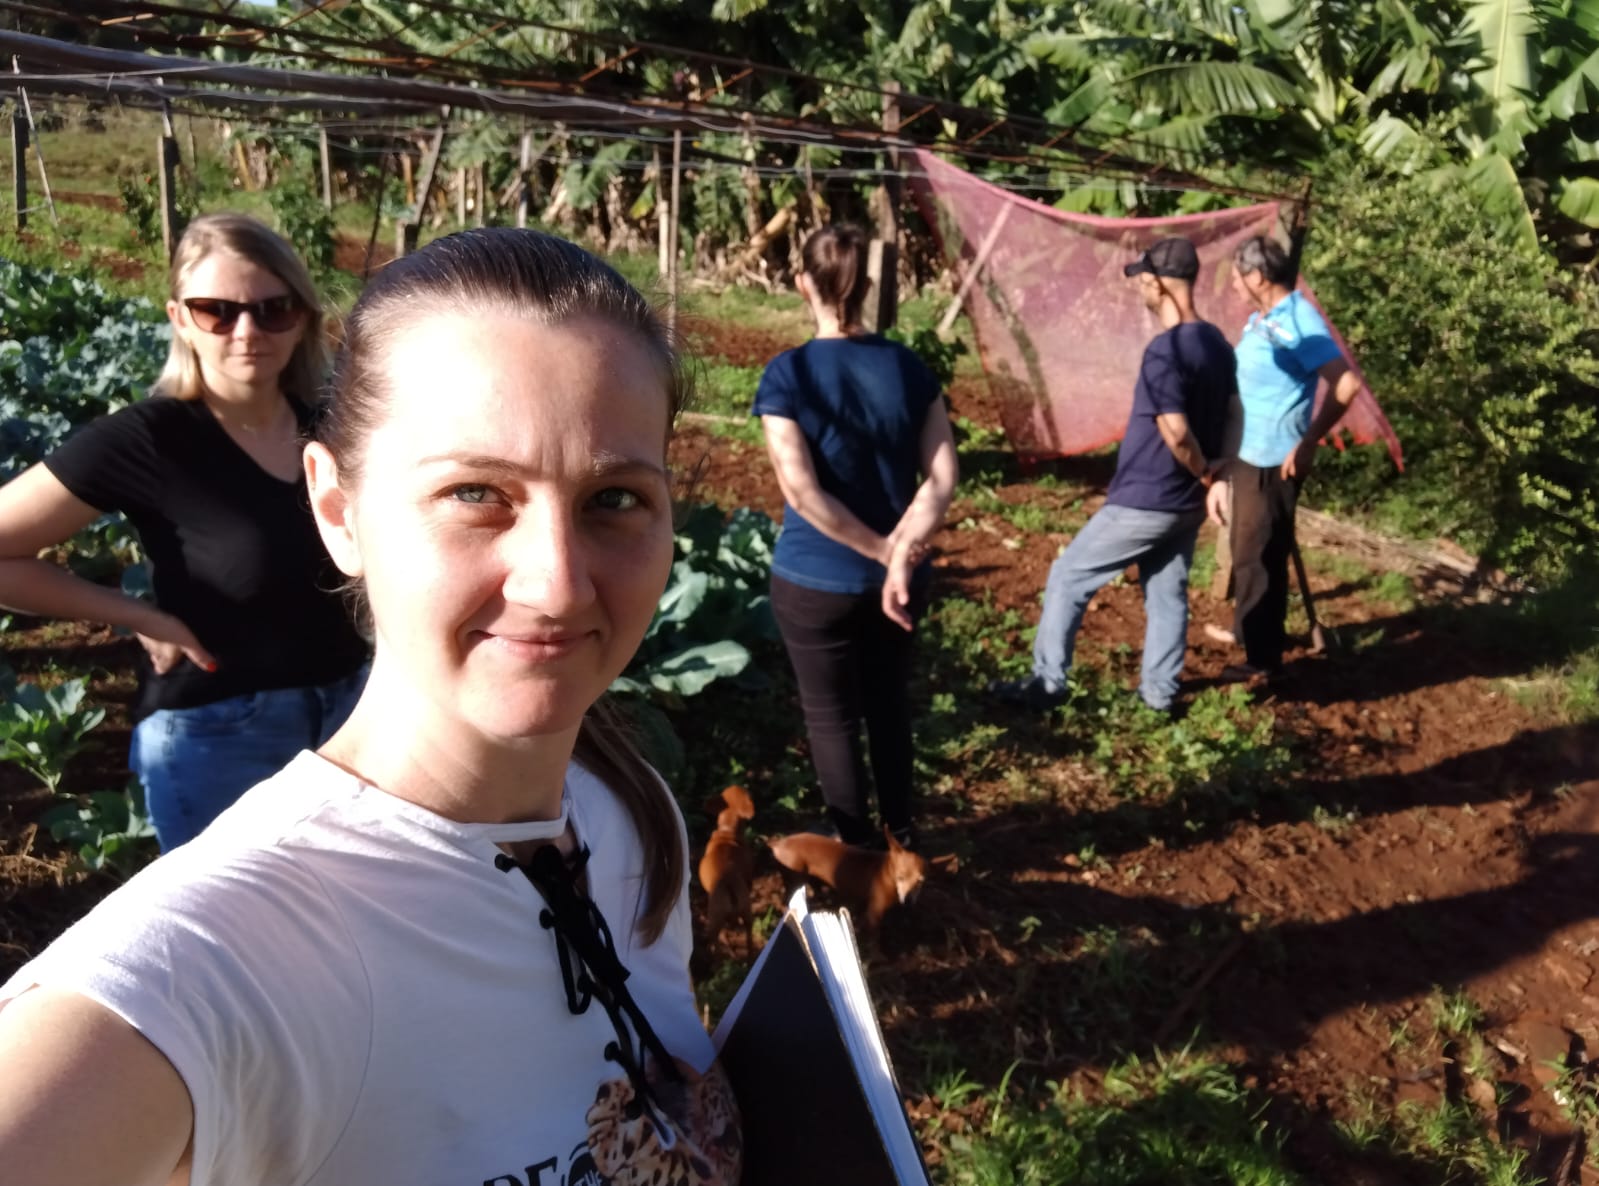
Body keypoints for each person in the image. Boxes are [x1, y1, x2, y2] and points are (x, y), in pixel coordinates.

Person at [0, 228, 742, 1186]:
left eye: (615, 500)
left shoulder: (623, 808)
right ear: (338, 512)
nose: (557, 586)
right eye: (474, 492)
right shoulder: (226, 963)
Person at [0, 212, 369, 850]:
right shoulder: (149, 440)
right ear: (179, 319)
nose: (248, 330)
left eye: (273, 308)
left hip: (357, 723)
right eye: (217, 311)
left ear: (304, 316)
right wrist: (137, 614)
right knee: (242, 941)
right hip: (220, 735)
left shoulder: (335, 427)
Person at [754, 224, 959, 850]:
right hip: (899, 584)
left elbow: (802, 494)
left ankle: (855, 849)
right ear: (868, 286)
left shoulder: (787, 376)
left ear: (801, 284)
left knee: (831, 718)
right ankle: (904, 843)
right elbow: (943, 477)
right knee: (889, 709)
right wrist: (897, 558)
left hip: (815, 582)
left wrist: (875, 549)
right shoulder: (909, 368)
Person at [992, 237, 1235, 714]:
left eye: (1144, 279)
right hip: (1184, 504)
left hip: (1147, 498)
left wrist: (1206, 469)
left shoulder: (1166, 351)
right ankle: (1159, 697)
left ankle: (1047, 683)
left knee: (1068, 576)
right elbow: (1233, 411)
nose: (1141, 287)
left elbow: (1176, 430)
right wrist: (1221, 472)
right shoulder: (1217, 343)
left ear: (1156, 283)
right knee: (1167, 593)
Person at [1204, 235, 1362, 677]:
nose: (1233, 283)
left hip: (1274, 459)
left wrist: (1309, 439)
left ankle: (1261, 661)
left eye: (1237, 275)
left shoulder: (1298, 321)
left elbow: (1345, 384)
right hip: (1249, 453)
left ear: (1257, 276)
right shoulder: (1268, 319)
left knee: (1258, 556)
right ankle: (1250, 632)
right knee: (1249, 550)